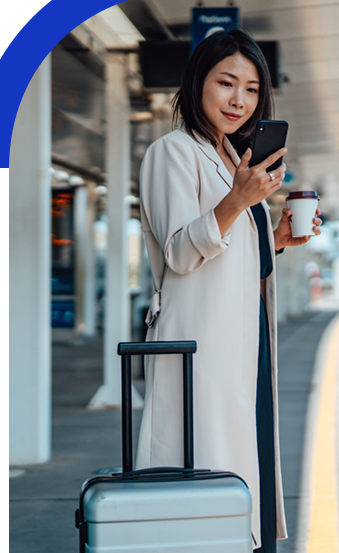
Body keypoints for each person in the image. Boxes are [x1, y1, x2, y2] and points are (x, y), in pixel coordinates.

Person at [136, 28, 322, 552]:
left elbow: (237, 260)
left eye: (252, 89)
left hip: (243, 347)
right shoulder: (172, 153)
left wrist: (278, 240)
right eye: (226, 83)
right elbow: (178, 251)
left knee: (242, 470)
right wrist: (239, 201)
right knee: (204, 477)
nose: (239, 100)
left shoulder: (229, 161)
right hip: (199, 347)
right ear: (198, 84)